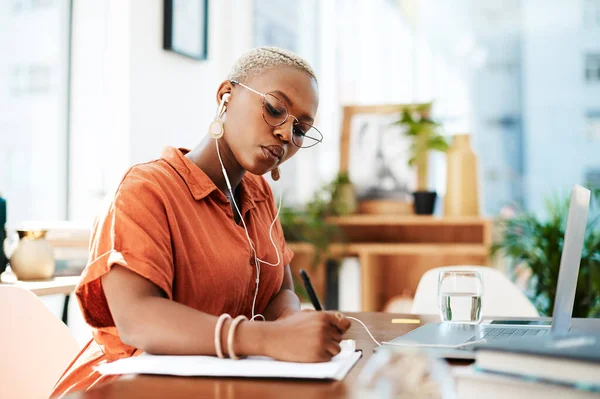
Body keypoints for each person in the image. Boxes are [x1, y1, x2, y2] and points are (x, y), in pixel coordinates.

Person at [51, 47, 351, 397]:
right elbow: (137, 320)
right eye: (274, 109)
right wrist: (267, 339)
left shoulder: (259, 195)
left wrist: (290, 323)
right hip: (126, 390)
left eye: (300, 128)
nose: (286, 133)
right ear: (226, 96)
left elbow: (278, 291)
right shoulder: (146, 190)